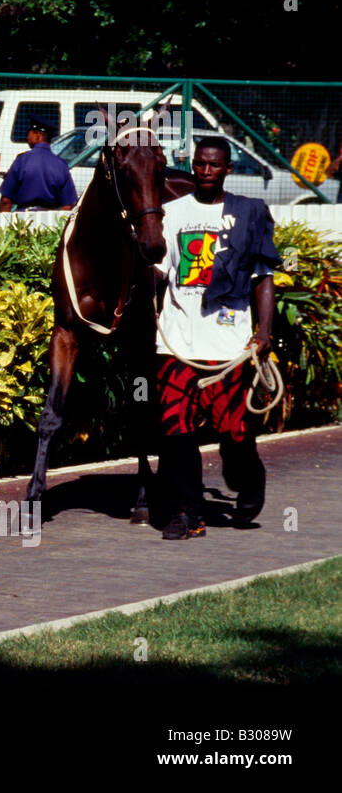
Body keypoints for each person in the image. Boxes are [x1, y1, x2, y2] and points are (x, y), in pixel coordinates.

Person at [153, 138, 280, 540]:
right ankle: (189, 513)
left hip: (229, 346)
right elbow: (158, 274)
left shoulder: (248, 214)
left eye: (214, 165)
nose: (205, 171)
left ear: (227, 169)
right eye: (200, 165)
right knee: (176, 434)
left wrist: (263, 332)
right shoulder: (170, 214)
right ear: (192, 166)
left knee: (236, 436)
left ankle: (249, 480)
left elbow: (263, 278)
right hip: (177, 344)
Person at [0, 119, 77, 211]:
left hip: (22, 220)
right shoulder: (61, 165)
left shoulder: (22, 160)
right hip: (49, 220)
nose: (28, 138)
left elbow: (5, 201)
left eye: (29, 134)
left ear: (37, 136)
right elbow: (67, 206)